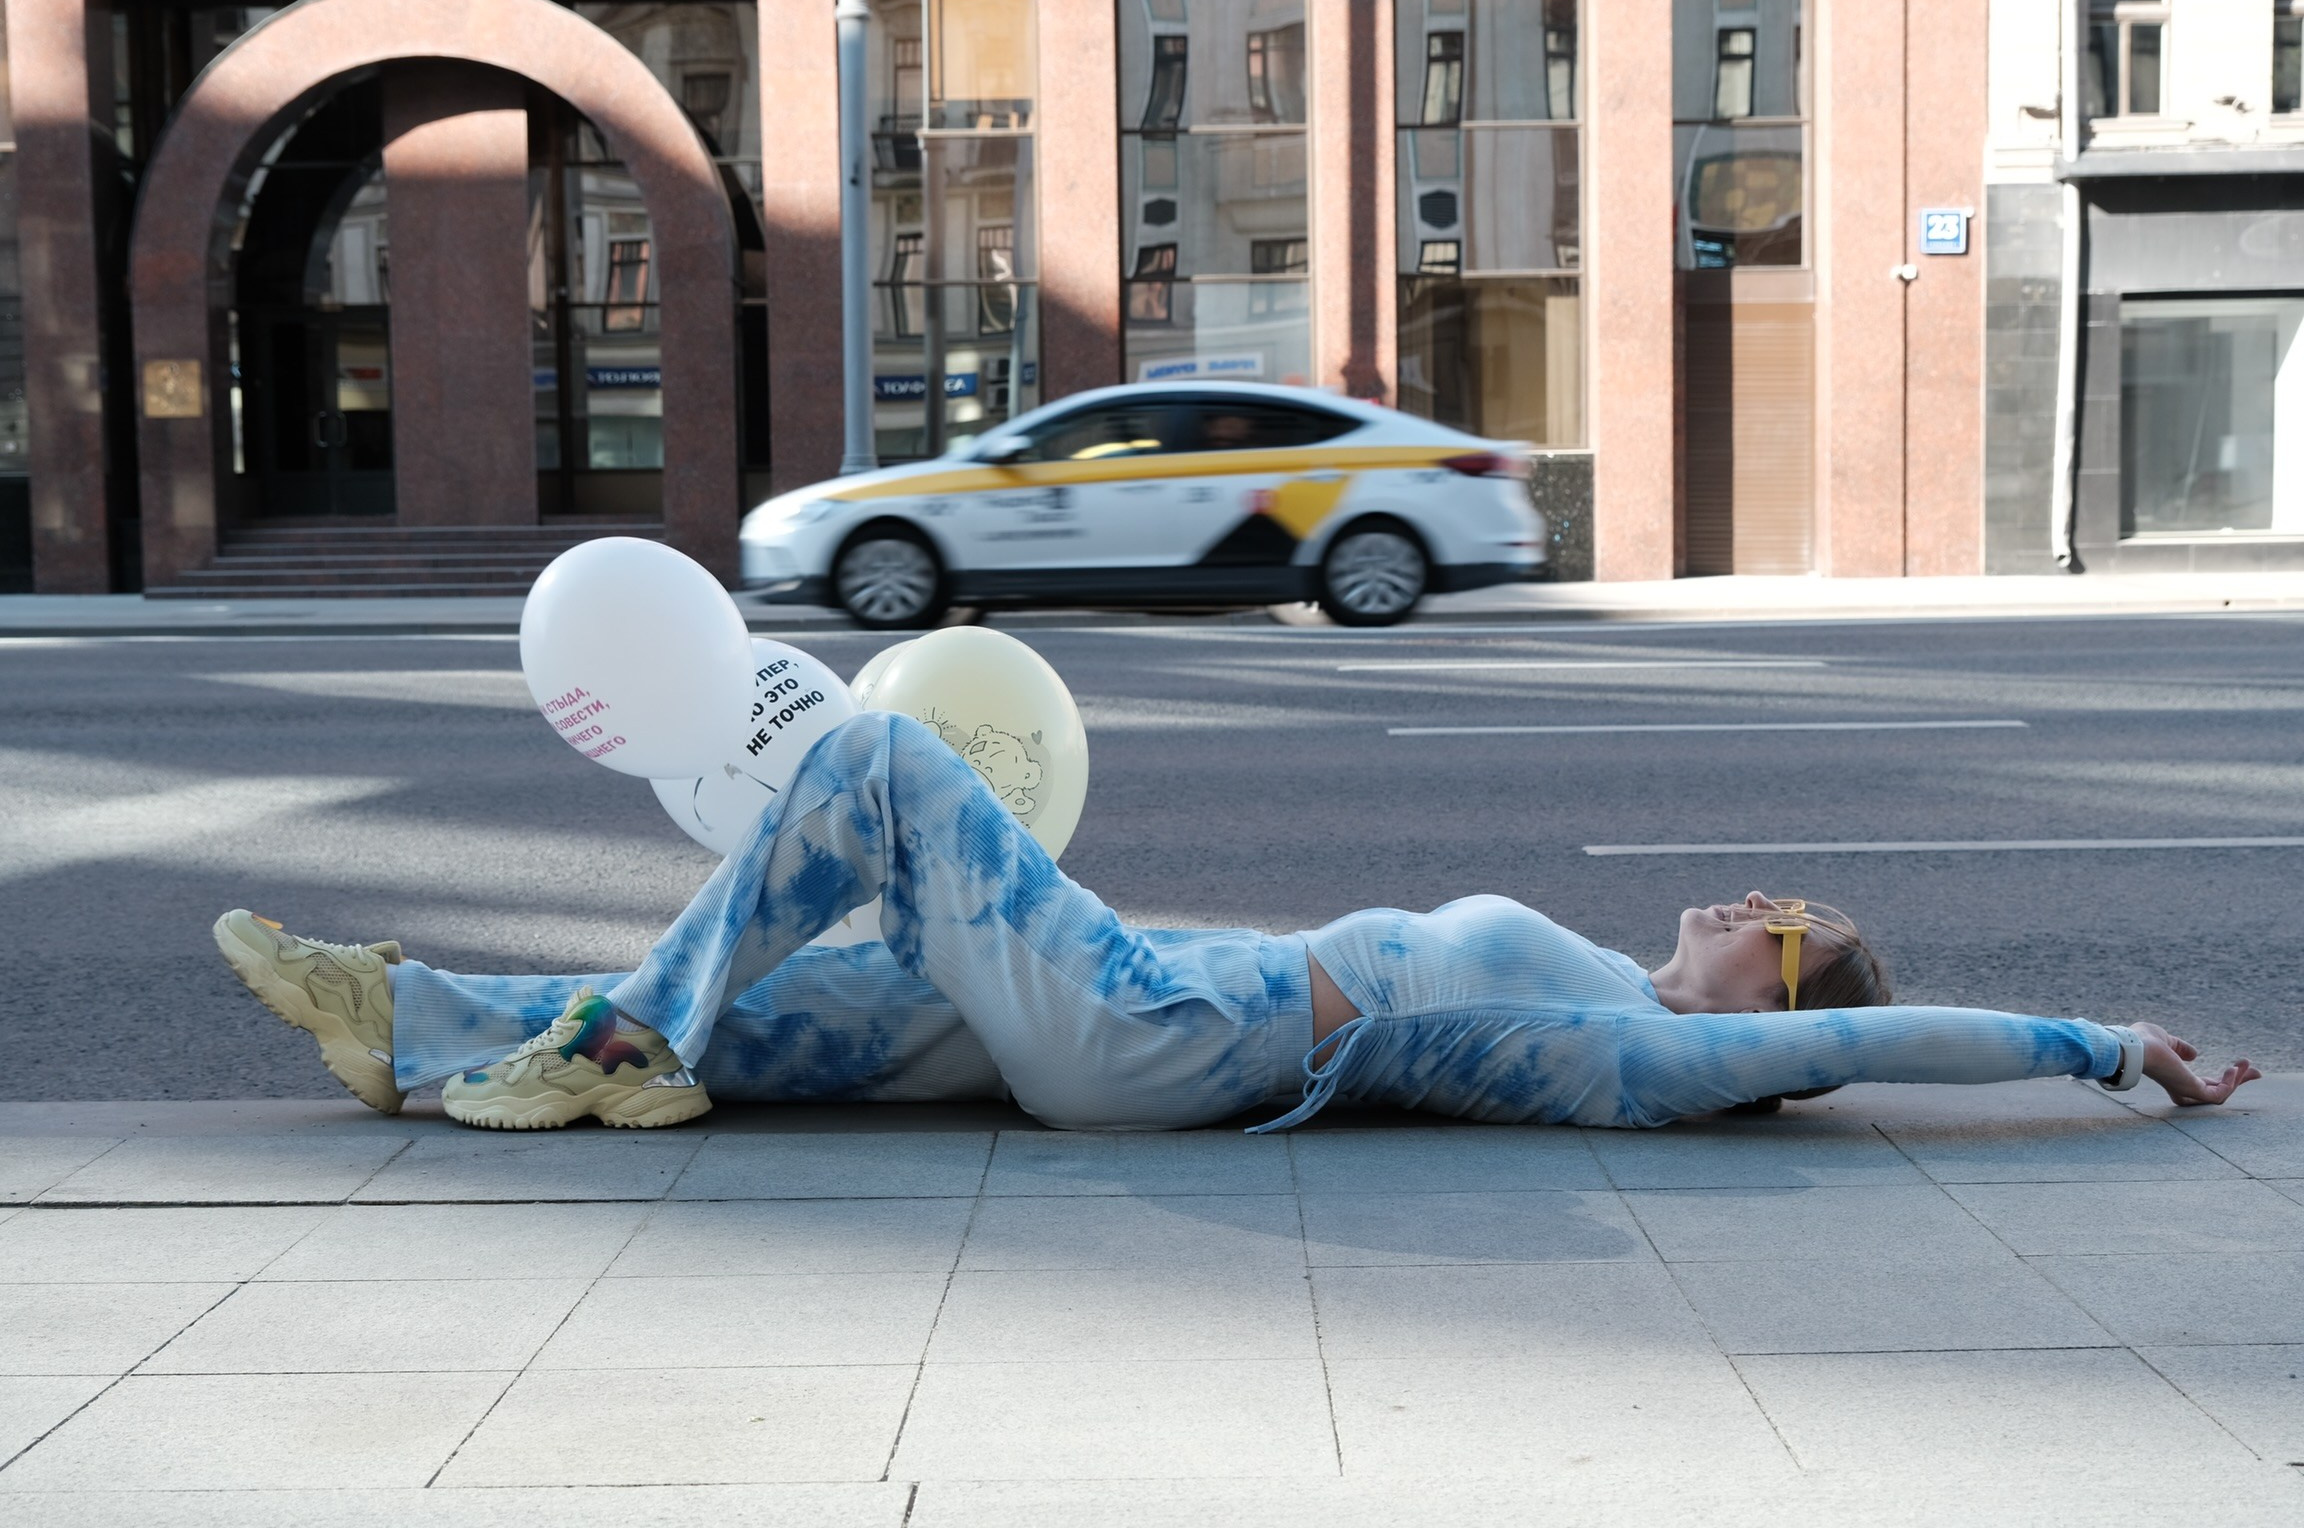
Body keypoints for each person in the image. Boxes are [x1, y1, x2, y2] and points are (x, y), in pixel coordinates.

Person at [214, 711, 2260, 1133]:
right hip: (1133, 1002)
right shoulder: (1612, 982)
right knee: (809, 1002)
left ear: (1778, 1003)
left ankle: (610, 1043)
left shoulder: (1670, 1056)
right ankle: (415, 1018)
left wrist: (2095, 1047)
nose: (1739, 905)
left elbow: (1868, 1044)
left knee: (885, 768)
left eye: (1778, 922)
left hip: (1159, 1046)